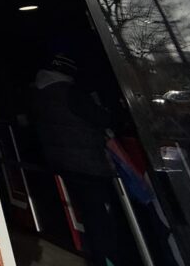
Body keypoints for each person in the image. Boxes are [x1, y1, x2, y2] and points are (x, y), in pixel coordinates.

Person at [29, 52, 127, 266]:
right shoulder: (69, 92)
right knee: (102, 218)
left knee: (90, 214)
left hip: (64, 163)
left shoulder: (39, 92)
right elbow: (100, 118)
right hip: (89, 163)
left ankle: (101, 256)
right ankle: (110, 258)